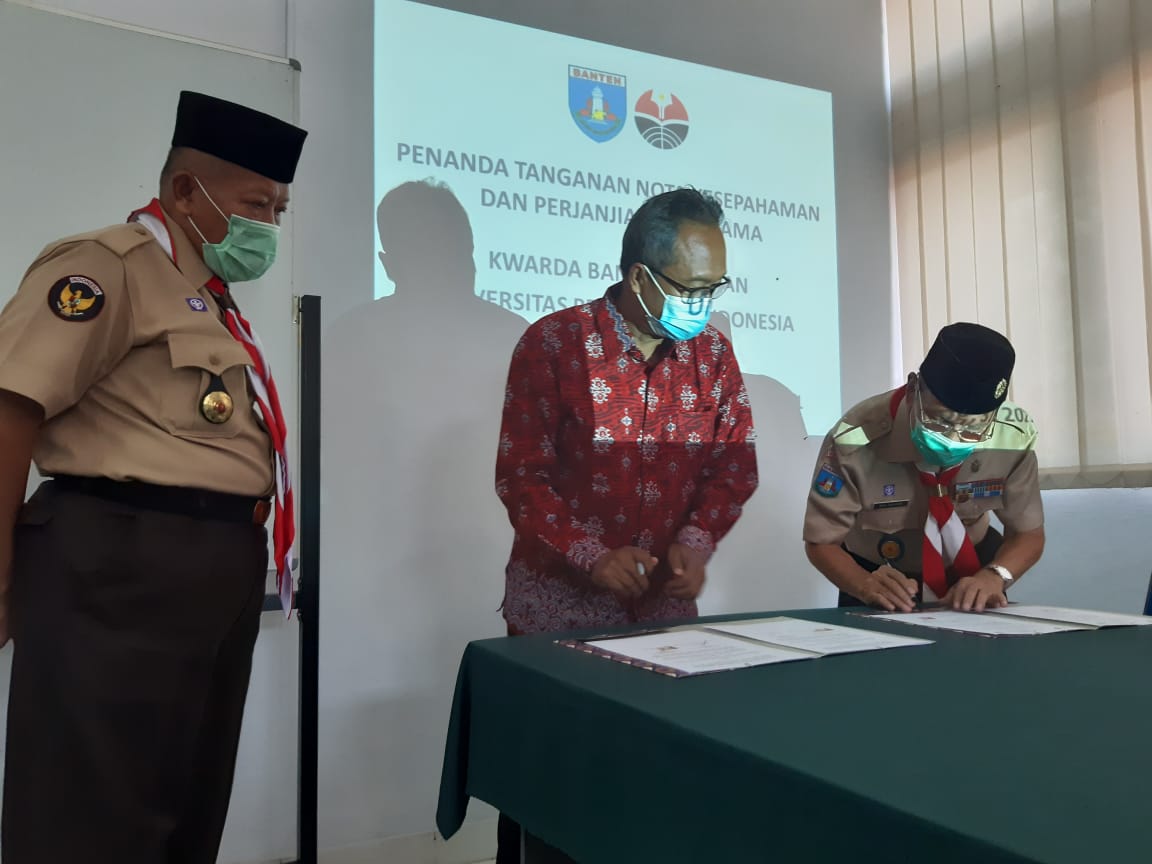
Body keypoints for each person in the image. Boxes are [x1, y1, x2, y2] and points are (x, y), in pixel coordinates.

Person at [0, 90, 306, 863]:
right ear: (184, 191)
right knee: (93, 810)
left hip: (210, 572)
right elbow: (11, 405)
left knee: (185, 802)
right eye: (254, 204)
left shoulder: (210, 299)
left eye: (277, 209)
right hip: (117, 563)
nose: (267, 226)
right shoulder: (107, 266)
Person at [493, 187, 759, 862]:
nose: (704, 303)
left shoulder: (713, 356)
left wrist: (696, 543)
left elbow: (733, 466)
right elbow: (522, 477)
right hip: (559, 616)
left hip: (663, 621)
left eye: (714, 287)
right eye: (691, 288)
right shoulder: (554, 344)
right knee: (550, 797)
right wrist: (591, 555)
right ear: (640, 277)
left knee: (652, 793)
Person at [804, 322, 1045, 613]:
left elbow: (1028, 534)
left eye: (973, 428)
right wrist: (862, 584)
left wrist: (997, 575)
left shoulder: (1011, 438)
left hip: (975, 573)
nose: (953, 437)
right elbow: (821, 542)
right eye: (939, 420)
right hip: (880, 577)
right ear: (912, 390)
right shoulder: (856, 438)